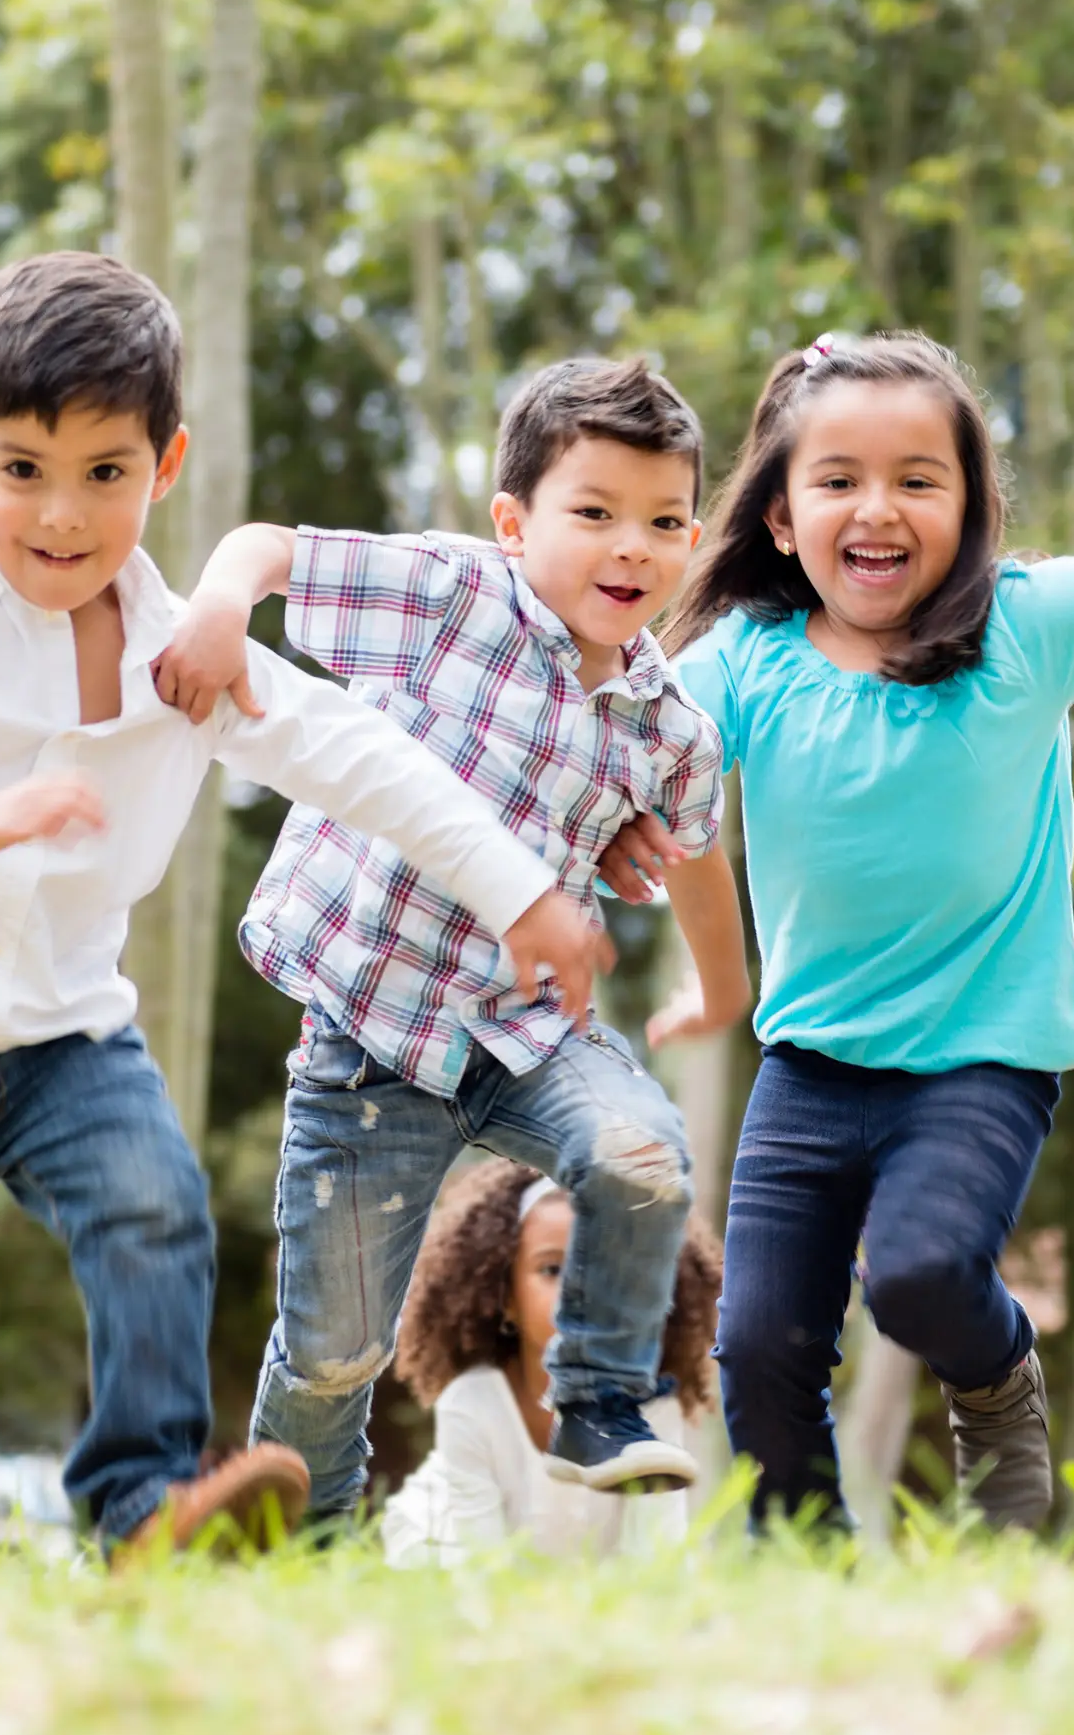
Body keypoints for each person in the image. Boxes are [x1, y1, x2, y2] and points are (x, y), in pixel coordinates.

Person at [0, 251, 601, 1557]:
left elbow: (361, 757)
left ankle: (142, 1506)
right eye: (21, 471)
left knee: (155, 1207)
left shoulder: (187, 653)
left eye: (104, 472)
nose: (60, 514)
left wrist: (522, 893)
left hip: (61, 1040)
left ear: (163, 467)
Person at [153, 355, 753, 1525]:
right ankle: (293, 1542)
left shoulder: (668, 723)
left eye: (664, 521)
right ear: (513, 520)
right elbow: (271, 547)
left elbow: (695, 855)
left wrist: (721, 988)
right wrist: (220, 609)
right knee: (334, 1349)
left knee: (642, 1154)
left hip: (530, 1032)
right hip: (372, 1040)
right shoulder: (449, 594)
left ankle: (595, 1394)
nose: (630, 547)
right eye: (593, 514)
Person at [602, 329, 1074, 1531]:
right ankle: (807, 1560)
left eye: (915, 479)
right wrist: (617, 846)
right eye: (836, 480)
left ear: (972, 505)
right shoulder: (745, 663)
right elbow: (643, 773)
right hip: (810, 1065)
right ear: (781, 517)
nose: (875, 508)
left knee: (926, 1275)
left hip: (981, 1055)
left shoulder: (1026, 626)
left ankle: (999, 1387)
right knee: (761, 1343)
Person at [382, 1159, 721, 1566]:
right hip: (451, 1545)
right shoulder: (473, 1401)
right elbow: (479, 1566)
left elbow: (657, 1559)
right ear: (505, 1296)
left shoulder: (651, 1406)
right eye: (553, 1269)